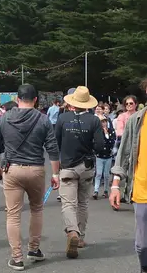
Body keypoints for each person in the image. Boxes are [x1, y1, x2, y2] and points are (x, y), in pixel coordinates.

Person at [0, 84, 60, 271]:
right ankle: (34, 249)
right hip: (36, 168)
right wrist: (55, 173)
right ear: (35, 99)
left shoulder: (4, 119)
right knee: (36, 209)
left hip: (12, 169)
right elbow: (52, 148)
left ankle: (17, 257)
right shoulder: (43, 119)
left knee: (13, 214)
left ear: (17, 99)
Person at [56, 86, 105, 258]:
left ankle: (72, 232)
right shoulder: (94, 120)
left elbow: (56, 142)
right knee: (83, 202)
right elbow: (100, 146)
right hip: (86, 166)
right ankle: (81, 236)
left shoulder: (62, 119)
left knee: (69, 203)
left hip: (68, 166)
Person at [110, 81, 147, 272]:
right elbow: (123, 154)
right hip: (142, 191)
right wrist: (116, 185)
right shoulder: (137, 120)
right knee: (143, 246)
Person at [93, 115, 115, 200]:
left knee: (106, 175)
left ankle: (105, 190)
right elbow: (95, 142)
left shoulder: (111, 131)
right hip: (99, 155)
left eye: (104, 121)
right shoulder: (97, 132)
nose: (103, 123)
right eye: (101, 122)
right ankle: (96, 190)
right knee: (98, 174)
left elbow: (112, 142)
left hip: (108, 156)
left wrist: (106, 134)